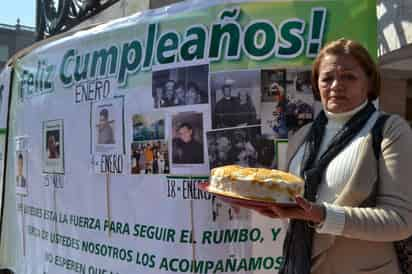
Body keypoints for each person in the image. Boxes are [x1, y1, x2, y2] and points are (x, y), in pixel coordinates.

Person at [231, 39, 412, 274]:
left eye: (348, 76)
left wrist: (322, 215)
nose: (336, 85)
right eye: (327, 78)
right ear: (317, 84)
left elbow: (400, 221)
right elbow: (289, 200)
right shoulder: (302, 136)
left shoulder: (390, 130)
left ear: (369, 82)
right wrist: (257, 200)